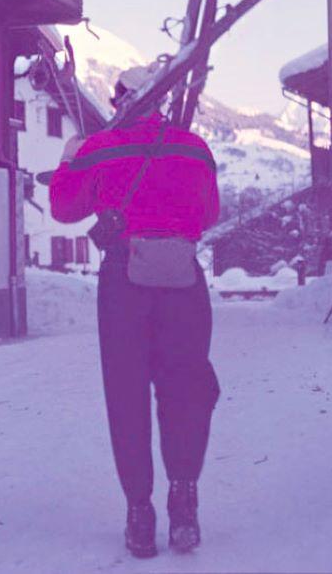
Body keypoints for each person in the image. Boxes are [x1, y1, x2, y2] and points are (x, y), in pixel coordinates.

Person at [49, 66, 221, 559]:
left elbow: (64, 207)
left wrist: (69, 157)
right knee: (185, 389)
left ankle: (140, 516)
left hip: (124, 281)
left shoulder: (101, 147)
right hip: (183, 279)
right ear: (161, 101)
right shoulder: (194, 147)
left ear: (120, 100)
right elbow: (209, 213)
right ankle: (184, 504)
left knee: (126, 395)